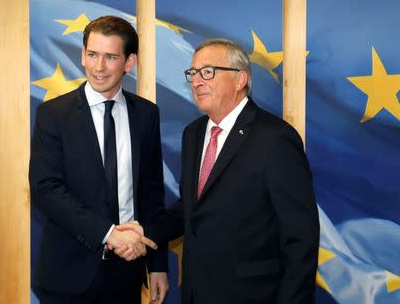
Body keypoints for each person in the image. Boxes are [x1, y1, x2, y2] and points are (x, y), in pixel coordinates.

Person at [117, 38, 320, 304]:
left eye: (208, 72)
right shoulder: (194, 133)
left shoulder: (275, 139)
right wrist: (142, 233)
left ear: (240, 80)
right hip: (196, 292)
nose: (197, 81)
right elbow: (189, 210)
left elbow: (300, 238)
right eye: (193, 73)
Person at [29, 16, 169, 304]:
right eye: (92, 54)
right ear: (82, 55)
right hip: (68, 277)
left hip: (126, 276)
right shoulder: (53, 114)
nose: (98, 67)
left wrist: (157, 266)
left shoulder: (146, 115)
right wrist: (108, 234)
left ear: (129, 63)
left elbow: (152, 195)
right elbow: (46, 191)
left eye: (110, 57)